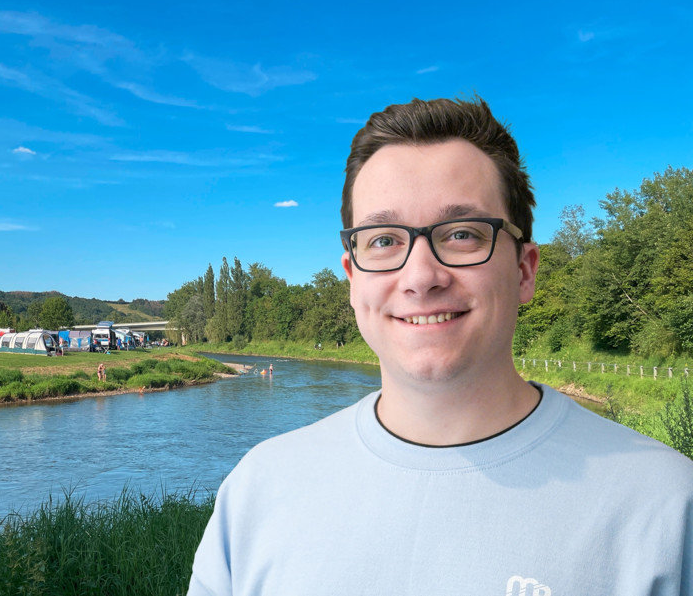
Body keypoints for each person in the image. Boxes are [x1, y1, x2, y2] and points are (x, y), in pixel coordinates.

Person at [189, 97, 693, 595]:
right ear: (352, 277)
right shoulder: (259, 490)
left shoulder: (667, 506)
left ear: (524, 271)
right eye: (384, 240)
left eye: (461, 234)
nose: (421, 276)